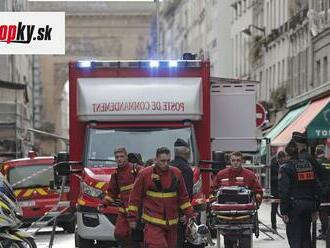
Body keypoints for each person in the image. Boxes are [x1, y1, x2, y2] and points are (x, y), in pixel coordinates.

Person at [127, 147, 195, 248]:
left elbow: (183, 198)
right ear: (156, 160)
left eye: (168, 160)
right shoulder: (145, 174)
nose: (166, 164)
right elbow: (134, 197)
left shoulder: (176, 173)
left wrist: (190, 215)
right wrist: (132, 218)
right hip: (152, 224)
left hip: (172, 224)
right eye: (162, 161)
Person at [212, 151, 263, 248]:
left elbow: (258, 192)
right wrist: (213, 203)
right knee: (228, 243)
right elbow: (212, 191)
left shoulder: (250, 175)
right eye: (233, 160)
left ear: (242, 161)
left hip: (245, 216)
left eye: (238, 160)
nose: (235, 162)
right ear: (230, 161)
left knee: (245, 243)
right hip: (224, 217)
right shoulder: (221, 175)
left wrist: (256, 203)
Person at [279, 140, 321, 248]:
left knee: (295, 238)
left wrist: (284, 211)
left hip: (294, 207)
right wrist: (316, 208)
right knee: (306, 237)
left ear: (287, 155)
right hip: (308, 205)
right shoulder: (307, 165)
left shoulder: (286, 168)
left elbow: (285, 190)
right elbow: (316, 187)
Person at [103, 147, 143, 248]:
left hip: (138, 211)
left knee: (139, 237)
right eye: (117, 157)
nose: (119, 159)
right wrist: (104, 204)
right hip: (124, 212)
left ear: (126, 157)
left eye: (121, 156)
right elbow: (112, 192)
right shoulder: (116, 175)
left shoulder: (136, 169)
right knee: (119, 234)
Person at [169, 138, 194, 248]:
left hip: (165, 210)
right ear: (185, 151)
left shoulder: (168, 166)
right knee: (178, 239)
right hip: (179, 212)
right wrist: (185, 213)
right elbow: (186, 193)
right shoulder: (186, 169)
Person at [315, 145, 330, 240]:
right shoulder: (329, 162)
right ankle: (326, 230)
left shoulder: (317, 163)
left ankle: (324, 232)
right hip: (329, 189)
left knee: (323, 211)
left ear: (317, 152)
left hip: (322, 190)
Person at [270, 151, 287, 231]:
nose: (283, 161)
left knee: (286, 208)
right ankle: (274, 226)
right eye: (281, 160)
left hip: (284, 189)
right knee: (274, 209)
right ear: (278, 159)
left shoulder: (286, 164)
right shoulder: (273, 165)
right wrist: (280, 177)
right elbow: (271, 178)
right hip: (275, 189)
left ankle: (288, 223)